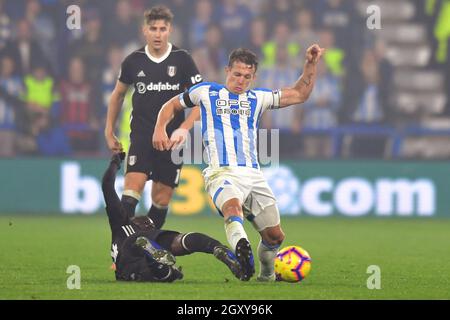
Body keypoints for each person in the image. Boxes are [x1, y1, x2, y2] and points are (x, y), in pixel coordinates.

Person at [153, 45, 324, 281]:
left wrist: (310, 64)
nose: (241, 81)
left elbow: (300, 94)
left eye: (247, 77)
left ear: (253, 77)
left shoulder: (259, 98)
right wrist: (160, 128)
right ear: (227, 71)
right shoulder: (206, 92)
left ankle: (267, 276)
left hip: (253, 175)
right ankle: (241, 247)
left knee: (275, 237)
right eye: (236, 74)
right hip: (221, 172)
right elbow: (171, 105)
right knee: (232, 208)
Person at [104, 5, 203, 228]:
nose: (158, 34)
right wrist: (108, 130)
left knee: (161, 199)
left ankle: (149, 248)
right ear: (144, 31)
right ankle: (120, 250)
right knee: (131, 193)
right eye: (153, 29)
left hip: (172, 141)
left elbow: (201, 100)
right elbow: (117, 95)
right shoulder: (132, 61)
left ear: (170, 31)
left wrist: (184, 128)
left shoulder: (183, 60)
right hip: (141, 135)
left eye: (162, 29)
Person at [102, 152, 244, 282]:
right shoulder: (124, 222)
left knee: (155, 245)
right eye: (148, 224)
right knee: (177, 241)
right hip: (139, 259)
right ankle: (214, 247)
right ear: (140, 224)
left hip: (131, 271)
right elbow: (108, 187)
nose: (149, 224)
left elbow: (107, 186)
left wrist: (115, 163)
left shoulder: (122, 225)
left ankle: (163, 267)